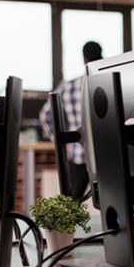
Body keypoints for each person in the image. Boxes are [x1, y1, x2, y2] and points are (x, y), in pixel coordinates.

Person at [39, 41, 103, 200]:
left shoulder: (68, 86)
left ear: (84, 59)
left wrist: (59, 140)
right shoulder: (108, 82)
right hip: (105, 155)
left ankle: (63, 226)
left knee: (71, 203)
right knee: (112, 201)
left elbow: (45, 114)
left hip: (77, 153)